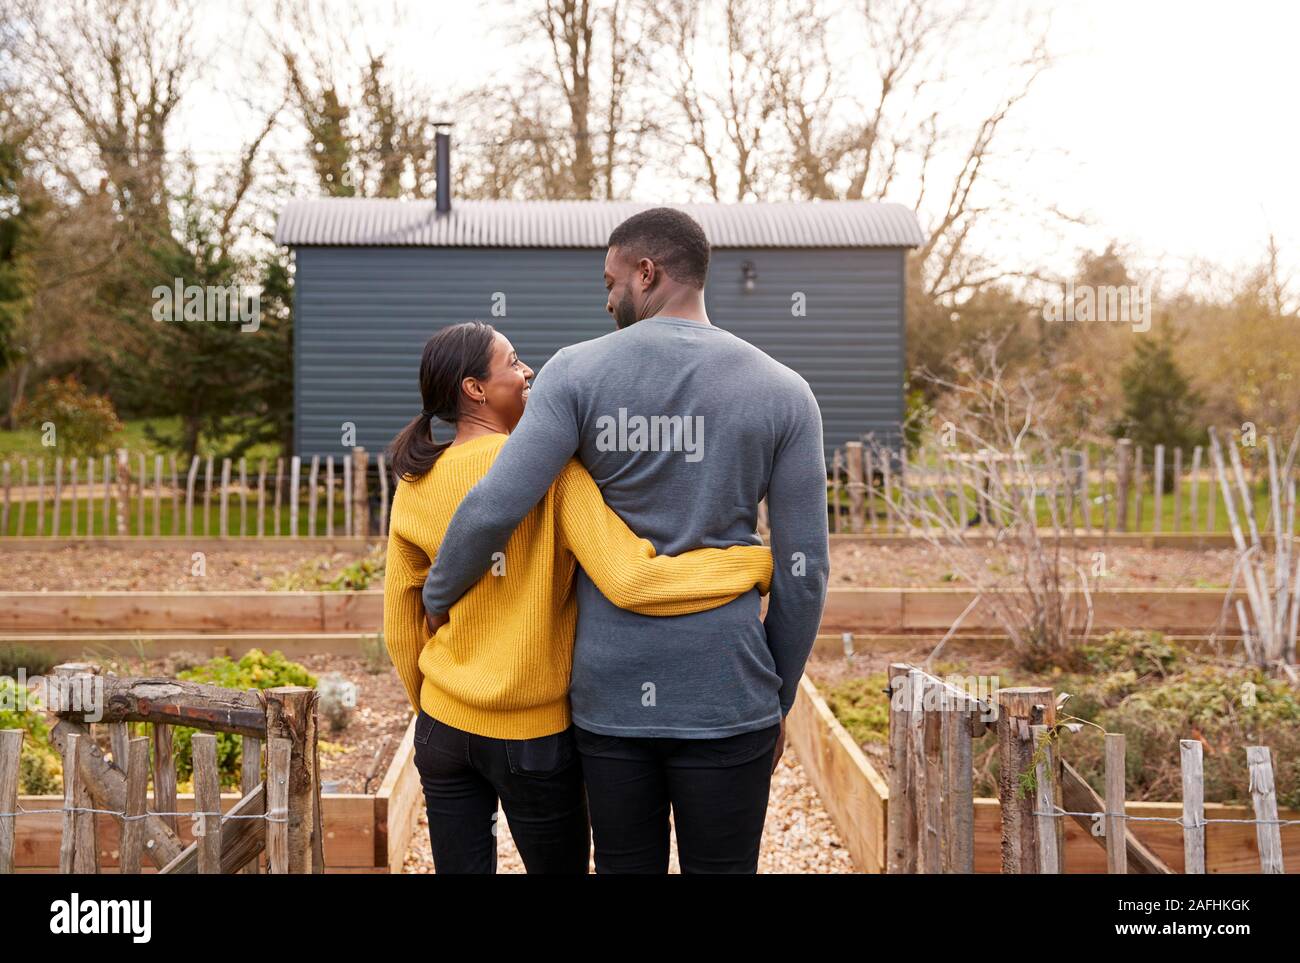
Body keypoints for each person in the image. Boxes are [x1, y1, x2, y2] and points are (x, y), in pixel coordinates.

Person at [422, 208, 829, 874]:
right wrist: (774, 696)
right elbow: (805, 571)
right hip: (728, 693)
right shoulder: (784, 392)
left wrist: (440, 593)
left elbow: (495, 504)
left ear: (648, 272)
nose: (607, 298)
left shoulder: (575, 374)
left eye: (611, 282)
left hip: (612, 703)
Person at [383, 320, 773, 874]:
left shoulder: (415, 481)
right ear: (475, 389)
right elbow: (630, 581)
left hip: (443, 730)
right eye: (514, 363)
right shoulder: (552, 472)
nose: (527, 373)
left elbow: (401, 622)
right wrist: (753, 562)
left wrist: (434, 710)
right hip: (532, 738)